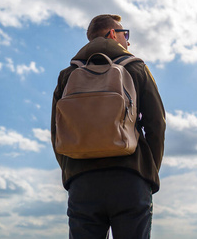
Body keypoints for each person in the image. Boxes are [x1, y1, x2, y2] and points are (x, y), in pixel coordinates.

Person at [51, 14, 166, 239]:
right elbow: (156, 125)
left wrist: (71, 171)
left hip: (82, 180)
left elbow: (57, 131)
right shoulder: (136, 67)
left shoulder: (67, 75)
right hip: (130, 176)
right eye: (126, 34)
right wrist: (148, 170)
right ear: (113, 34)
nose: (128, 41)